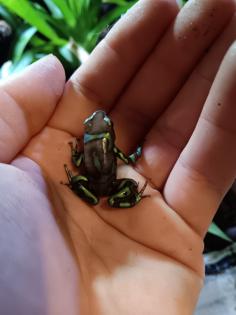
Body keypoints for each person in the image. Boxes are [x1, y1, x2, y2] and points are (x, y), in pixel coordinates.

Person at [0, 0, 236, 314]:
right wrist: (127, 170)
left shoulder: (87, 147)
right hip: (110, 185)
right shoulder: (107, 148)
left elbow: (87, 162)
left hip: (92, 183)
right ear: (105, 136)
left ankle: (98, 191)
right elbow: (121, 156)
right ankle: (132, 198)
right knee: (122, 186)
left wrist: (75, 176)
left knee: (85, 178)